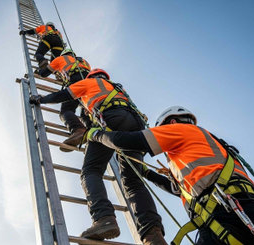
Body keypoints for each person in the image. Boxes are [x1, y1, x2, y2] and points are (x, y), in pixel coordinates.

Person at [86, 105, 254, 245]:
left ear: (171, 122)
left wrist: (96, 134)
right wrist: (147, 173)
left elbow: (126, 140)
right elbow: (178, 189)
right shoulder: (210, 147)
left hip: (229, 217)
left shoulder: (180, 130)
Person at [29, 69, 166, 244]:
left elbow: (64, 94)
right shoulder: (117, 89)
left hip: (110, 119)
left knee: (91, 171)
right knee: (133, 183)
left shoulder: (89, 82)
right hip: (136, 126)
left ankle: (104, 218)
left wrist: (41, 99)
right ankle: (153, 236)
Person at [36, 48, 91, 151]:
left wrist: (40, 71)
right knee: (87, 113)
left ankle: (78, 130)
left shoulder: (60, 59)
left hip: (76, 82)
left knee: (66, 111)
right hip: (91, 84)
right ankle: (93, 139)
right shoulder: (83, 61)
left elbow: (45, 73)